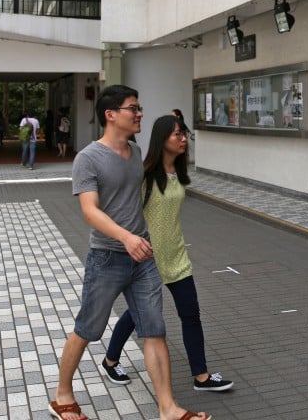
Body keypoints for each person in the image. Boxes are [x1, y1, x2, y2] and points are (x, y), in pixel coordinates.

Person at [49, 85, 210, 420]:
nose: (139, 114)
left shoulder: (136, 152)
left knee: (154, 330)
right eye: (133, 108)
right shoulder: (88, 158)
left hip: (143, 257)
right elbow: (90, 211)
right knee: (87, 329)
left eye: (139, 108)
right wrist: (125, 237)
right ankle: (62, 395)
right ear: (111, 115)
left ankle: (168, 408)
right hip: (107, 256)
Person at [103, 115, 232, 393]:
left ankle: (201, 376)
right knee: (138, 315)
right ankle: (111, 360)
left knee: (191, 314)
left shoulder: (179, 174)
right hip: (146, 258)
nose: (183, 139)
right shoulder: (145, 174)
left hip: (175, 256)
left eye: (184, 134)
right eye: (177, 135)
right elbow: (122, 210)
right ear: (162, 140)